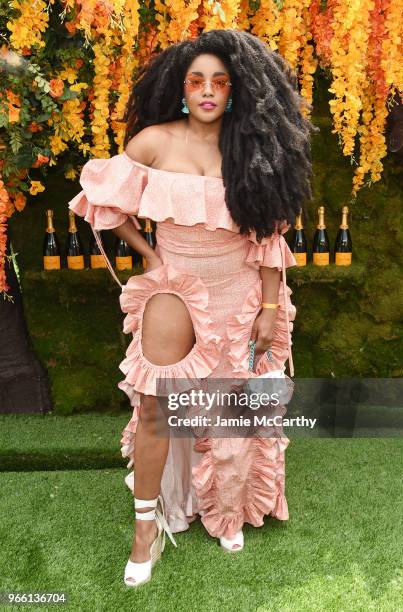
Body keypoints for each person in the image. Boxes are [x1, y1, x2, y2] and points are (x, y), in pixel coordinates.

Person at [68, 28, 317, 587]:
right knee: (156, 406)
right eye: (197, 81)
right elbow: (102, 202)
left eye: (220, 83)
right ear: (182, 88)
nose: (208, 91)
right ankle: (146, 530)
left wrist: (271, 305)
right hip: (176, 288)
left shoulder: (252, 146)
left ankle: (227, 509)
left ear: (235, 92)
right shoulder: (155, 141)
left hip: (240, 292)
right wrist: (152, 258)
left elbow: (271, 237)